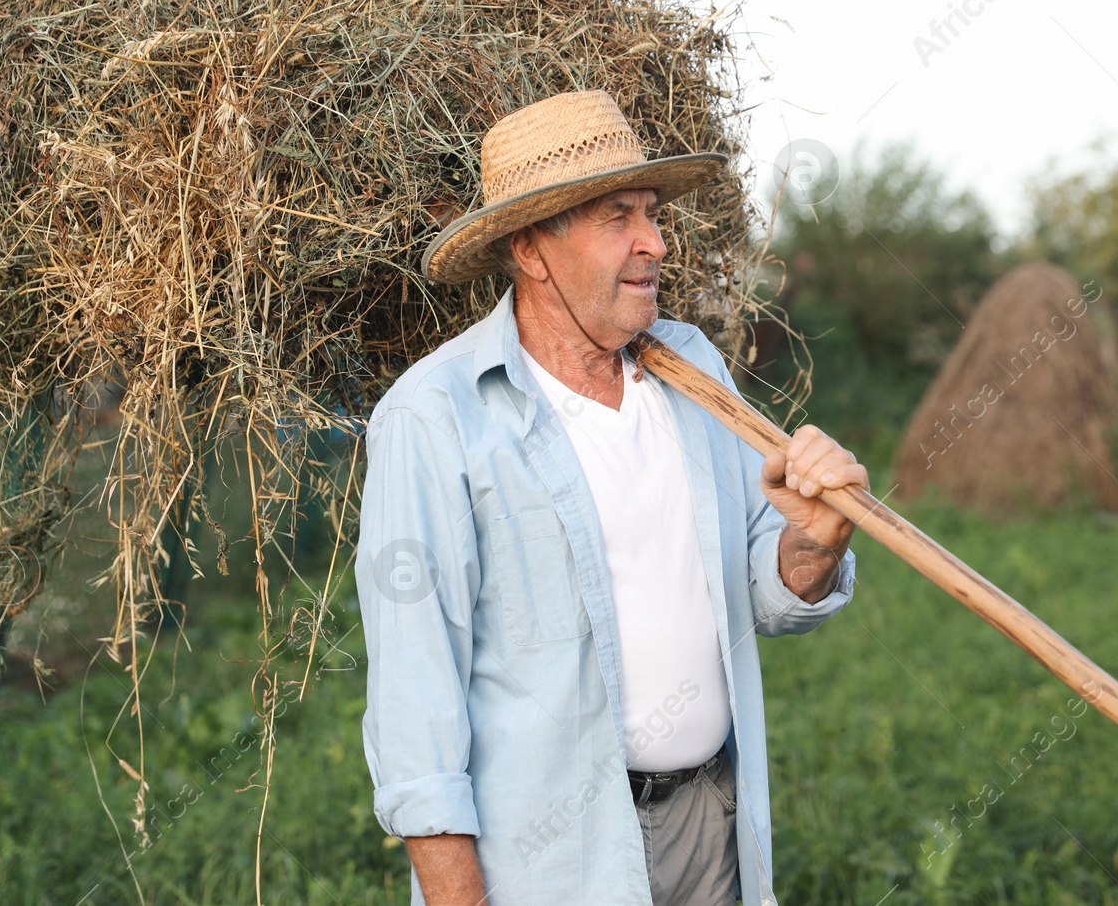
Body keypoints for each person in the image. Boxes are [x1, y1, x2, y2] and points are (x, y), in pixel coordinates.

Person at [357, 89, 866, 906]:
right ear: (531, 247)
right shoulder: (436, 417)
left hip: (712, 826)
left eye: (653, 213)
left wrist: (816, 542)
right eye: (617, 217)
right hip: (548, 860)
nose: (655, 243)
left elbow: (767, 595)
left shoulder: (695, 369)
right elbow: (415, 706)